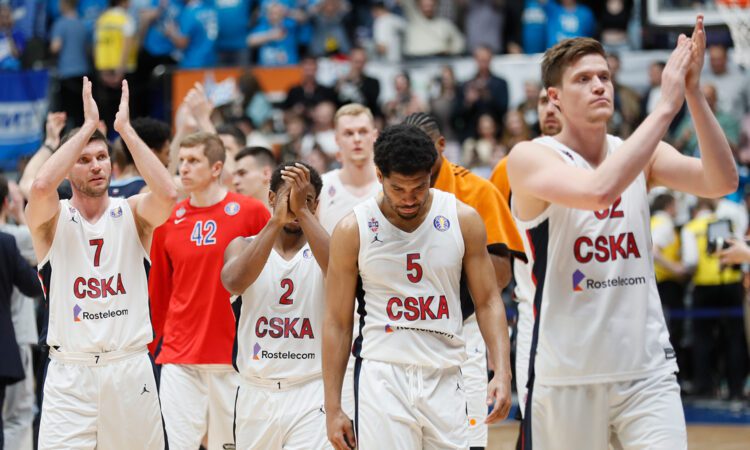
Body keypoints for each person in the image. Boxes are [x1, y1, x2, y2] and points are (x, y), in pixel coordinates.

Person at [507, 17, 737, 448]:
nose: (599, 86)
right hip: (568, 375)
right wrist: (665, 106)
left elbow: (722, 180)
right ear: (554, 98)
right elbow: (597, 192)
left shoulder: (639, 154)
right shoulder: (529, 158)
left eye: (604, 77)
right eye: (583, 79)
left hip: (646, 370)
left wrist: (691, 93)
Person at [323, 124, 512, 450]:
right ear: (379, 176)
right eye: (398, 189)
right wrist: (333, 406)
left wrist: (503, 372)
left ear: (431, 176)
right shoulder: (353, 229)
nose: (409, 198)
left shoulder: (462, 219)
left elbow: (488, 301)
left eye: (419, 187)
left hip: (446, 373)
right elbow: (337, 322)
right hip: (383, 377)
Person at [26, 78, 176, 448]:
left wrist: (124, 130)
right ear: (68, 168)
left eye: (101, 157)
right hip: (70, 372)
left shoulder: (133, 212)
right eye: (83, 160)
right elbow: (40, 187)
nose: (96, 166)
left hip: (129, 368)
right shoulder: (51, 219)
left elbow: (168, 193)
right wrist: (88, 127)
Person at [403, 112, 523, 449]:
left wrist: (451, 269)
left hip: (462, 332)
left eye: (423, 148)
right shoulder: (391, 196)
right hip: (404, 336)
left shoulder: (478, 191)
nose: (415, 158)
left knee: (467, 441)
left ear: (441, 145)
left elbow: (502, 273)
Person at [148, 131, 270, 450]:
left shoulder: (251, 212)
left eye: (193, 160)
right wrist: (151, 348)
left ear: (216, 168)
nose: (184, 168)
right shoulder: (168, 220)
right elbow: (159, 291)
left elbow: (271, 279)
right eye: (181, 161)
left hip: (233, 358)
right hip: (179, 357)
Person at [221, 162, 329, 449]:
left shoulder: (328, 248)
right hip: (256, 390)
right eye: (289, 198)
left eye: (306, 200)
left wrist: (302, 212)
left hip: (311, 389)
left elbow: (340, 271)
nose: (295, 206)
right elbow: (233, 282)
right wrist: (275, 221)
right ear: (271, 198)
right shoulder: (243, 245)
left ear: (316, 205)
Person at [487, 86, 563, 430]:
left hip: (591, 305)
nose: (550, 109)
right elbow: (491, 237)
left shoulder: (599, 162)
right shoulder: (511, 166)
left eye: (557, 101)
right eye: (543, 101)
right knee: (537, 420)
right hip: (534, 307)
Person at [0, 177, 42, 450]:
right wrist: (19, 213)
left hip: (14, 338)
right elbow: (43, 242)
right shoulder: (12, 239)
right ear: (7, 202)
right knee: (18, 416)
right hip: (13, 339)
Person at [318, 104, 381, 234]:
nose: (357, 139)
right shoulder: (321, 187)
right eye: (349, 133)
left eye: (363, 132)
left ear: (374, 135)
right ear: (337, 139)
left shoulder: (390, 185)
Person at [109, 117, 172, 198]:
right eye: (167, 153)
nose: (169, 160)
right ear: (150, 154)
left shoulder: (103, 189)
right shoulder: (149, 191)